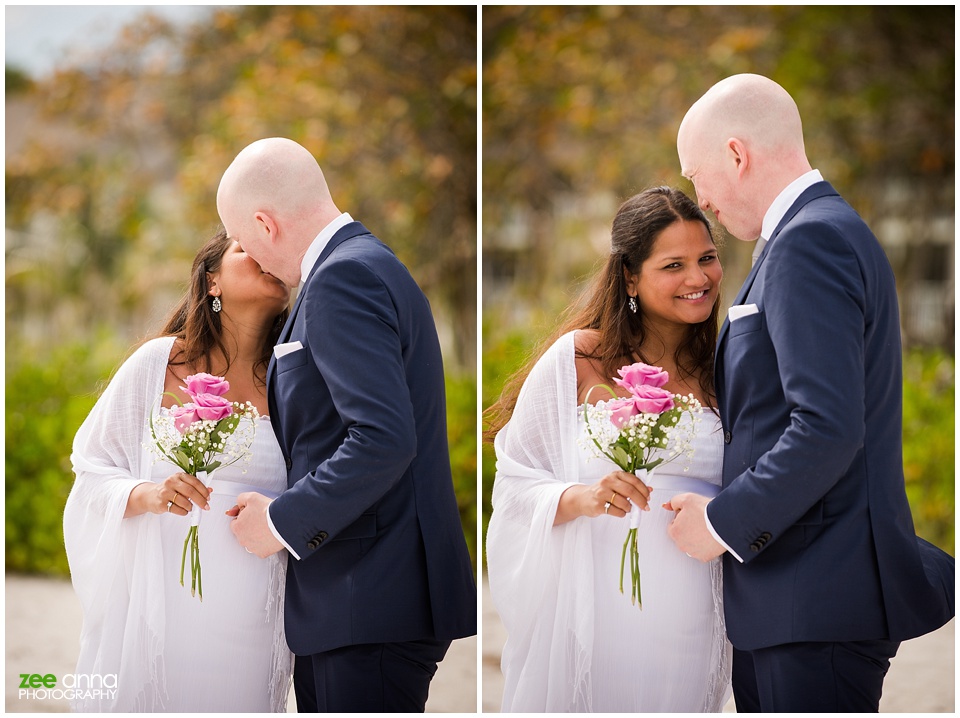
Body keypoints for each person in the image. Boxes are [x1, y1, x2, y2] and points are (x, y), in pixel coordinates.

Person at [669, 73, 955, 712]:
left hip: (815, 604)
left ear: (737, 155)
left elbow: (826, 426)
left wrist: (721, 524)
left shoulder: (809, 241)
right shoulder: (809, 234)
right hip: (797, 604)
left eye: (698, 175)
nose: (702, 198)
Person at [216, 137, 477, 712]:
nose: (249, 255)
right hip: (365, 599)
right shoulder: (365, 264)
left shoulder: (343, 279)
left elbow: (383, 439)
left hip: (367, 599)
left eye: (242, 239)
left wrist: (282, 521)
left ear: (264, 222)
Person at [485, 186, 732, 712]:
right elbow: (512, 488)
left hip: (696, 615)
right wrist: (580, 497)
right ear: (630, 277)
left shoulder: (728, 370)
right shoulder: (578, 360)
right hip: (595, 613)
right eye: (674, 265)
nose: (698, 279)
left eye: (707, 258)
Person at [64, 229, 295, 711]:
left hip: (254, 619)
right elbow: (90, 469)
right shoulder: (158, 363)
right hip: (160, 610)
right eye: (244, 246)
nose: (265, 255)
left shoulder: (292, 380)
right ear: (213, 281)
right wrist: (148, 494)